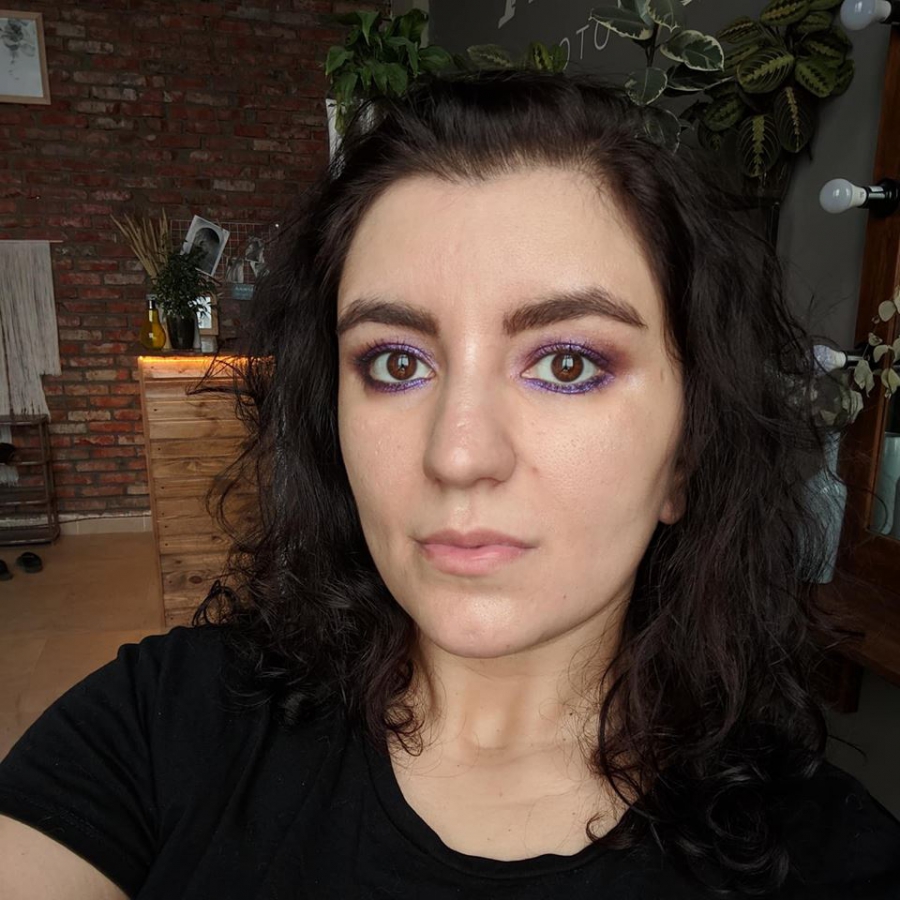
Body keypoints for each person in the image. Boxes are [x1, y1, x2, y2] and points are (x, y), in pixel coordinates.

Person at [1, 68, 899, 899]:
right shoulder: (164, 721)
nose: (458, 455)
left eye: (569, 363)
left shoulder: (829, 860)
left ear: (688, 452)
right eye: (396, 362)